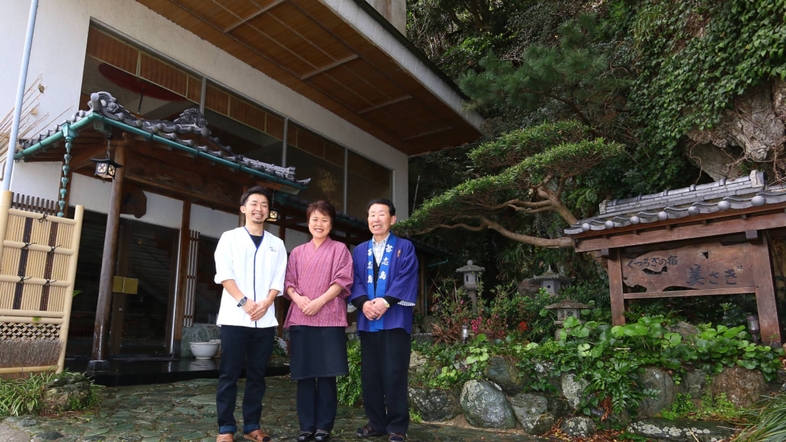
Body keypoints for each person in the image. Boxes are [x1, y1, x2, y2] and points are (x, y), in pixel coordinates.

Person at [213, 186, 287, 442]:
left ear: (269, 211)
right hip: (235, 318)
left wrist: (266, 303)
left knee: (257, 376)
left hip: (264, 321)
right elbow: (224, 274)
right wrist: (244, 302)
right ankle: (225, 428)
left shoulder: (277, 244)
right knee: (229, 375)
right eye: (254, 203)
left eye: (264, 205)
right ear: (243, 208)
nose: (259, 208)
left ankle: (252, 426)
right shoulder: (229, 238)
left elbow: (279, 279)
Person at [348, 199, 418, 442]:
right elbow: (353, 280)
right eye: (371, 215)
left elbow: (406, 277)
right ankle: (376, 422)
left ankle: (397, 426)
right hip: (368, 321)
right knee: (371, 374)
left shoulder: (404, 247)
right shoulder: (358, 251)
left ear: (392, 219)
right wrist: (363, 304)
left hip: (395, 320)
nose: (376, 219)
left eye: (381, 214)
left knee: (395, 373)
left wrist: (385, 302)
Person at [283, 200, 354, 442]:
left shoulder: (340, 250)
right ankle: (306, 426)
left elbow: (343, 280)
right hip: (301, 317)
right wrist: (299, 299)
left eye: (324, 219)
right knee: (303, 375)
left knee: (326, 375)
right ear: (308, 222)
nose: (319, 224)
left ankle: (323, 426)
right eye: (315, 219)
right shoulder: (298, 252)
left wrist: (318, 302)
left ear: (331, 223)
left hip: (329, 318)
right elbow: (288, 282)